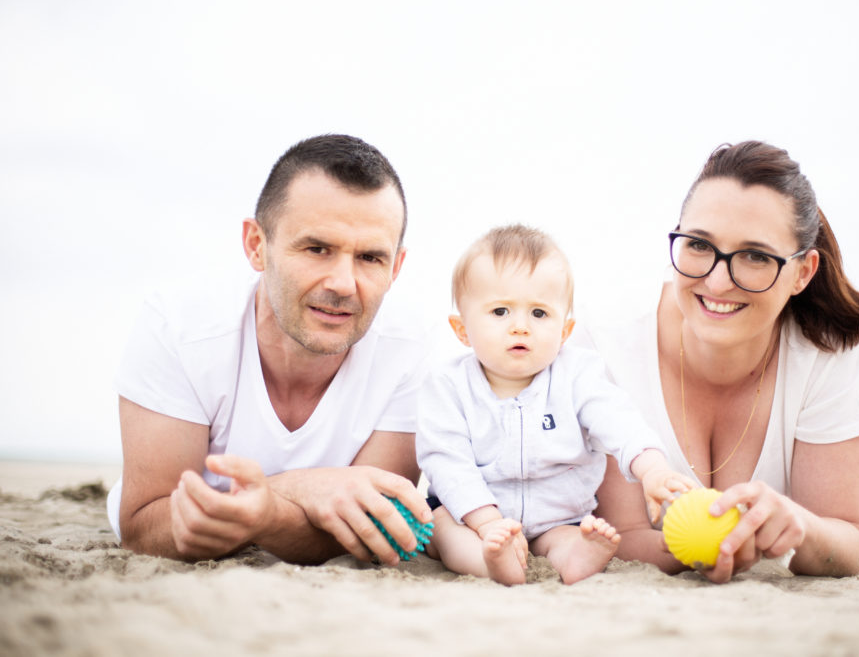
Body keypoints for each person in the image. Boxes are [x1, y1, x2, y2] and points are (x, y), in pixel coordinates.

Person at [107, 134, 433, 565]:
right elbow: (143, 528)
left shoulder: (409, 352)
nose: (343, 284)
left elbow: (374, 531)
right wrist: (298, 488)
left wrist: (267, 512)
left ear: (396, 267)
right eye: (317, 249)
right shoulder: (181, 328)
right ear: (257, 245)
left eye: (370, 258)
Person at [581, 141, 859, 583]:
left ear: (803, 272)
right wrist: (703, 550)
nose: (718, 282)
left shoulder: (824, 356)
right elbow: (620, 535)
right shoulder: (606, 343)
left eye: (756, 256)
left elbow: (848, 541)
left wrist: (801, 527)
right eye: (699, 245)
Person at [416, 224, 694, 585]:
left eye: (539, 313)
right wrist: (487, 522)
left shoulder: (578, 376)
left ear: (564, 331)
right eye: (500, 312)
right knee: (441, 530)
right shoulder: (448, 386)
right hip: (470, 516)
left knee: (567, 538)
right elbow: (446, 461)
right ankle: (491, 562)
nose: (520, 326)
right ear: (462, 329)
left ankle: (577, 558)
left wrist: (652, 469)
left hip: (558, 518)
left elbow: (620, 422)